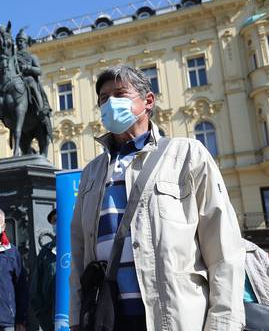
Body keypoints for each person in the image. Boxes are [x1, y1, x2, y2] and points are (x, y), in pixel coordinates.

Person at [69, 65, 245, 330]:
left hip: (172, 318)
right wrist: (75, 319)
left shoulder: (187, 155)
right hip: (107, 318)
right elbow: (79, 255)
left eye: (120, 94)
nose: (110, 103)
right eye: (104, 99)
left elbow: (223, 249)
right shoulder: (92, 172)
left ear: (148, 101)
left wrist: (223, 323)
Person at [30, 209, 56, 331]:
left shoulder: (80, 247)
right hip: (52, 321)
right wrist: (45, 321)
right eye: (55, 221)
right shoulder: (46, 252)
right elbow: (35, 291)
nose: (58, 224)